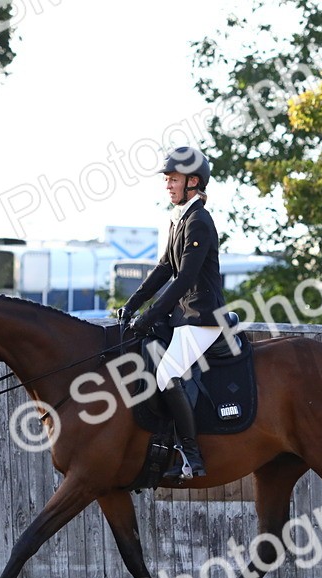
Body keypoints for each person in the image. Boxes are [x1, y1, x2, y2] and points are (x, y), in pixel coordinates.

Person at [118, 146, 225, 480]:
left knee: (166, 376)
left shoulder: (199, 222)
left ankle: (192, 458)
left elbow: (185, 279)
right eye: (167, 179)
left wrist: (150, 315)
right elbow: (164, 268)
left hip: (203, 317)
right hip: (183, 317)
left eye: (173, 179)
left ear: (193, 182)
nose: (168, 185)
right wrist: (132, 304)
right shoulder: (178, 219)